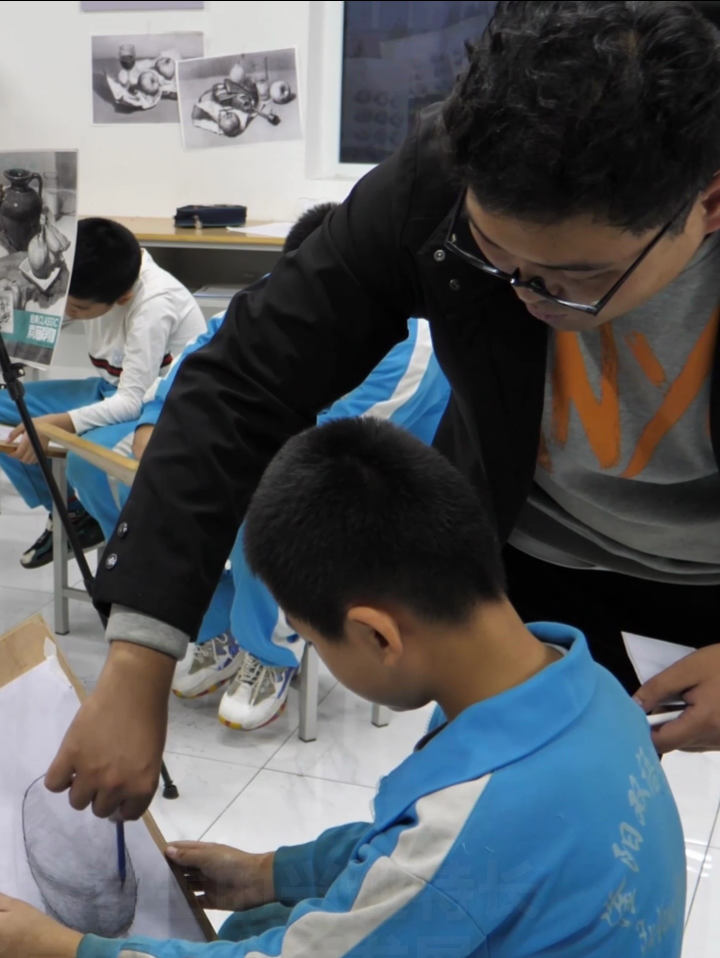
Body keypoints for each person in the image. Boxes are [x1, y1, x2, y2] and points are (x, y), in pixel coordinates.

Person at [50, 4, 720, 958]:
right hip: (541, 567)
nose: (525, 295)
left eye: (571, 278)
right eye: (495, 259)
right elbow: (241, 378)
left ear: (712, 202)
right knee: (470, 831)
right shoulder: (450, 168)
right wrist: (138, 659)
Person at [0, 418, 685, 958]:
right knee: (267, 917)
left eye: (310, 641)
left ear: (376, 634)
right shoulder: (583, 687)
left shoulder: (475, 822)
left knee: (248, 951)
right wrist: (272, 872)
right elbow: (418, 857)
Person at [68, 203, 451, 729]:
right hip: (273, 439)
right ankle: (214, 624)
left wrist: (214, 451)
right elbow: (204, 353)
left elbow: (327, 446)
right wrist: (155, 421)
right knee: (100, 467)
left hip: (364, 479)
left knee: (262, 503)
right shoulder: (286, 289)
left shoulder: (412, 346)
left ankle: (270, 652)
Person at [0, 218, 205, 568]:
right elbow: (24, 336)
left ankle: (124, 551)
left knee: (85, 460)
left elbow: (132, 402)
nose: (67, 312)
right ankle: (71, 512)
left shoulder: (155, 304)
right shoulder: (88, 278)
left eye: (78, 310)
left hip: (157, 409)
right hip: (110, 391)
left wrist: (59, 423)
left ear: (123, 297)